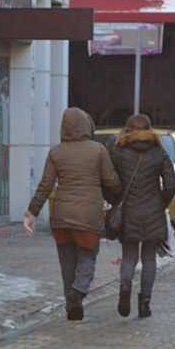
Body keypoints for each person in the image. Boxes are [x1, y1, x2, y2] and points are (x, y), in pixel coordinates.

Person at [24, 108, 122, 322]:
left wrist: (32, 212)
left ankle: (72, 308)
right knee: (87, 257)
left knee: (67, 262)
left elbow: (46, 185)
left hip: (61, 216)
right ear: (87, 125)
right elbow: (112, 181)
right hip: (88, 215)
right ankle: (77, 293)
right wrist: (117, 194)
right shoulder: (98, 150)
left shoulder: (56, 152)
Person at [106, 114, 175, 319]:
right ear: (149, 129)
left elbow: (109, 179)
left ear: (128, 129)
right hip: (153, 212)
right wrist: (160, 202)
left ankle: (125, 288)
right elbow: (171, 183)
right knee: (149, 258)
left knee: (129, 256)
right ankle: (145, 302)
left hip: (128, 212)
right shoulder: (158, 152)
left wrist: (115, 200)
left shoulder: (119, 151)